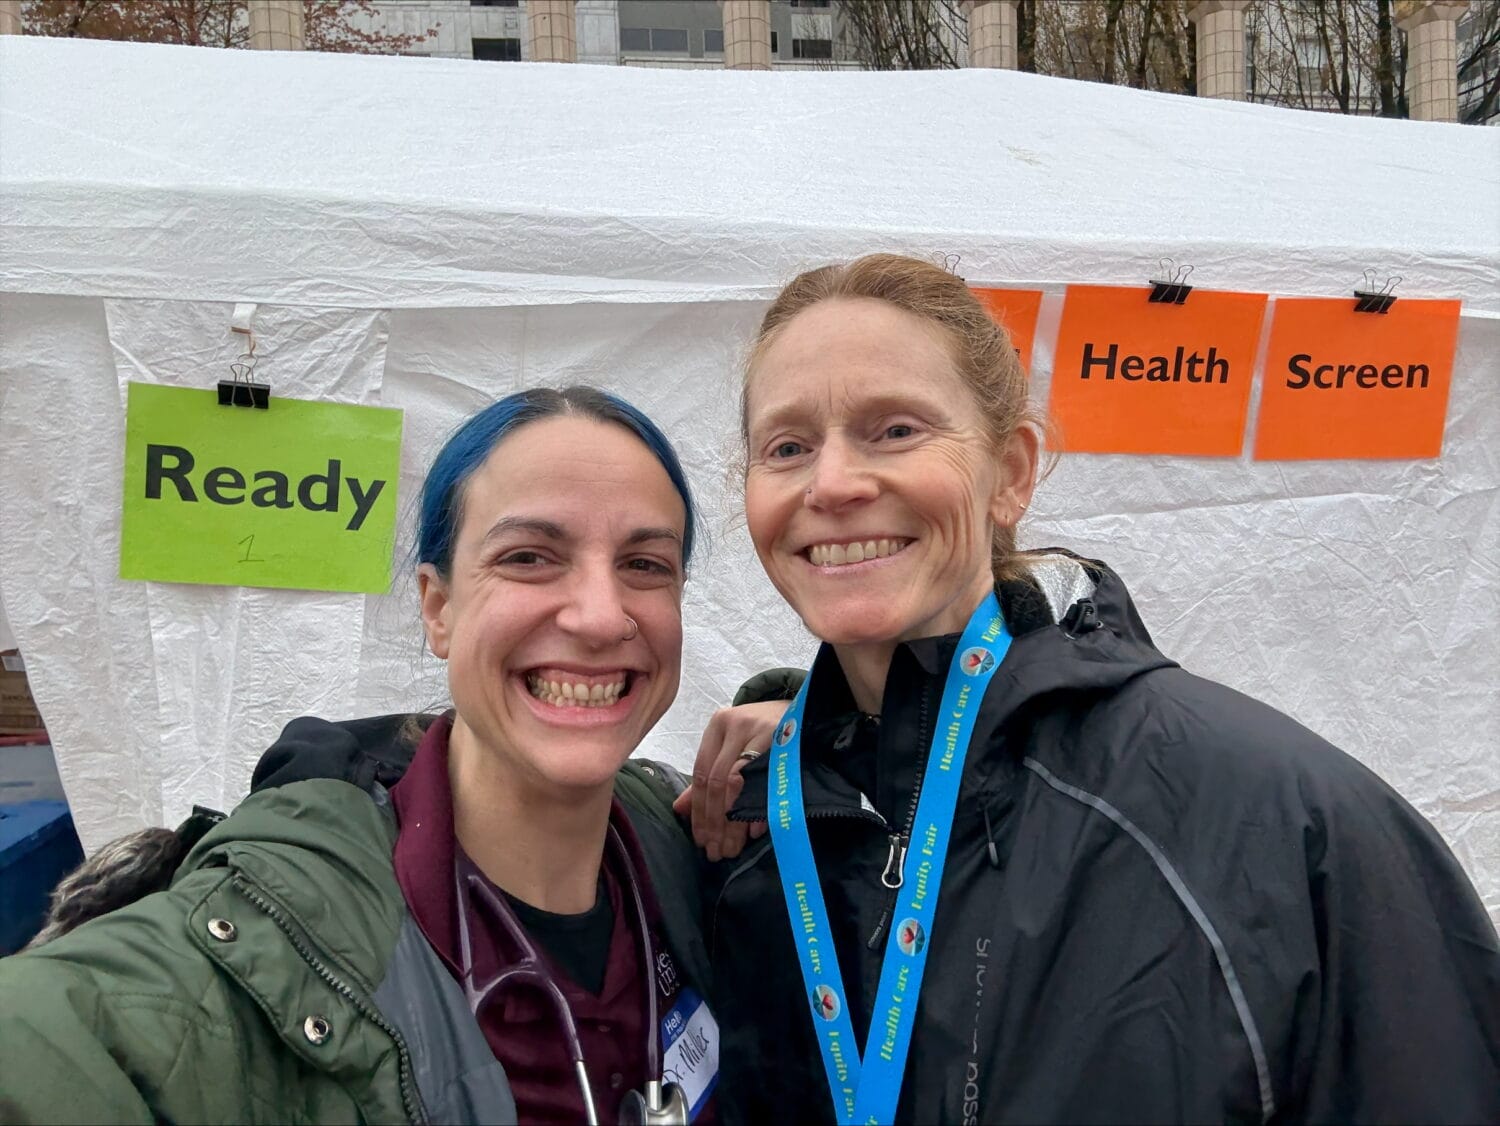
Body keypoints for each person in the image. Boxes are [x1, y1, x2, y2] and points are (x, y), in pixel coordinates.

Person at [683, 254, 1500, 1125]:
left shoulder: (1274, 818)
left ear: (1012, 473)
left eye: (896, 430)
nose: (833, 482)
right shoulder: (750, 831)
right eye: (788, 446)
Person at [0, 386, 782, 1125]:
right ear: (438, 609)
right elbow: (67, 1037)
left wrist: (827, 725)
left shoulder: (694, 842)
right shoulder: (267, 931)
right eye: (529, 557)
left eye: (645, 565)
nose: (601, 615)